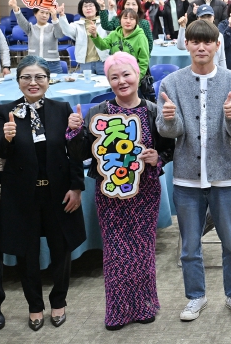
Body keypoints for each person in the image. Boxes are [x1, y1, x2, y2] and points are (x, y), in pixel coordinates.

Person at [66, 52, 174, 330]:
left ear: (137, 75)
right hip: (110, 192)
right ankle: (117, 310)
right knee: (115, 252)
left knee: (142, 249)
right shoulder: (98, 112)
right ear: (108, 81)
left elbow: (169, 147)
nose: (121, 81)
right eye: (114, 77)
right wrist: (74, 133)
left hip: (145, 190)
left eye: (126, 74)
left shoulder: (152, 111)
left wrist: (158, 158)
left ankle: (144, 305)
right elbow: (80, 154)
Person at [156, 19, 231, 321]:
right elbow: (168, 131)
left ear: (216, 45)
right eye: (195, 41)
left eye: (207, 41)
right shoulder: (171, 83)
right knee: (189, 246)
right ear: (186, 44)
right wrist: (169, 118)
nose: (201, 47)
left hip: (225, 175)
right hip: (186, 176)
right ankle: (195, 296)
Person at [0, 56, 85, 331]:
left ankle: (59, 302)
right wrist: (6, 138)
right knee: (27, 254)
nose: (33, 82)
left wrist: (76, 187)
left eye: (39, 77)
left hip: (58, 193)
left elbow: (74, 154)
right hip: (22, 195)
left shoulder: (62, 109)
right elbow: (0, 154)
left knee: (61, 249)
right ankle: (34, 306)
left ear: (49, 81)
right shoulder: (5, 112)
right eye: (26, 77)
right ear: (18, 81)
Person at [90, 7, 150, 87]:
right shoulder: (114, 34)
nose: (128, 21)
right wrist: (94, 35)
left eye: (132, 19)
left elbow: (144, 61)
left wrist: (136, 79)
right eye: (125, 18)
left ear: (136, 22)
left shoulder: (140, 37)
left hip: (132, 81)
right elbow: (102, 45)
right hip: (117, 77)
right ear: (120, 20)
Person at [8, 0, 65, 74]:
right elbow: (21, 21)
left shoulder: (53, 27)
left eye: (47, 13)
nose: (44, 15)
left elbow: (59, 35)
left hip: (52, 63)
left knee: (56, 81)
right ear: (35, 14)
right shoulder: (30, 28)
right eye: (42, 12)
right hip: (34, 63)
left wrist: (54, 17)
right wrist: (15, 7)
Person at [58, 0, 109, 75]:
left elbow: (112, 29)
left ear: (96, 9)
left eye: (91, 5)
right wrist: (62, 15)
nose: (88, 8)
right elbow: (67, 31)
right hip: (86, 62)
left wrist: (103, 8)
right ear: (81, 10)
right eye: (85, 6)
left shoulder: (104, 22)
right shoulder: (77, 24)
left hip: (103, 60)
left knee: (105, 81)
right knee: (87, 82)